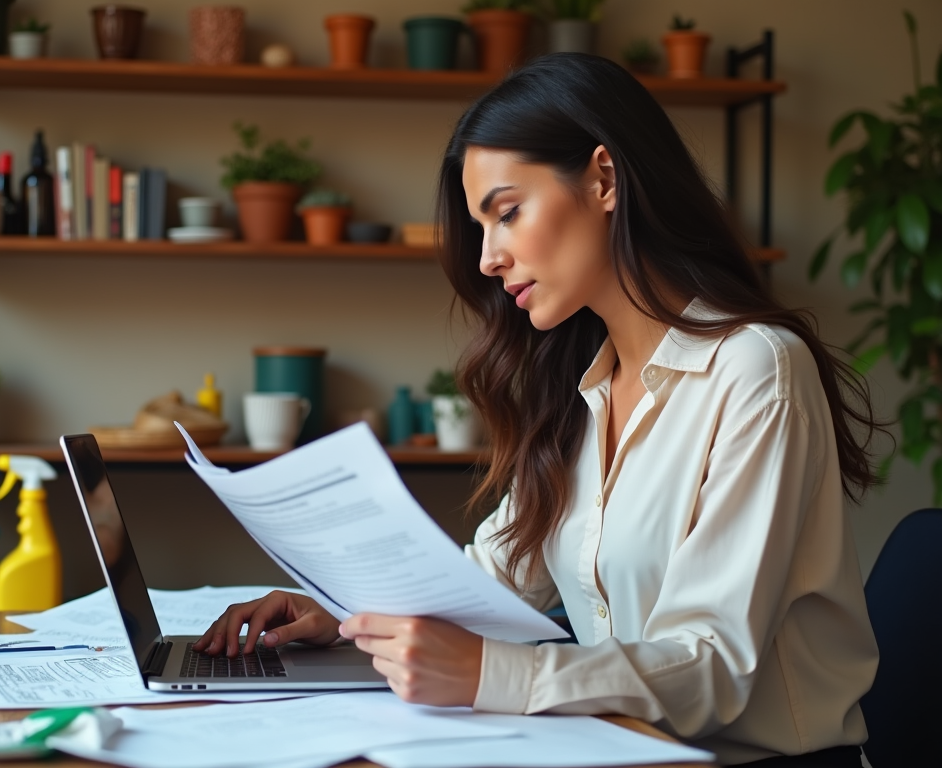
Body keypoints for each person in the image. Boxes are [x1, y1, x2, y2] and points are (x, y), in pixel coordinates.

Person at [195, 54, 880, 767]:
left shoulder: (755, 368)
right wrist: (342, 622)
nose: (489, 258)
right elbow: (489, 580)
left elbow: (710, 666)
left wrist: (491, 673)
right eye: (482, 228)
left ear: (604, 179)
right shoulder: (578, 393)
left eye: (508, 213)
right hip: (619, 751)